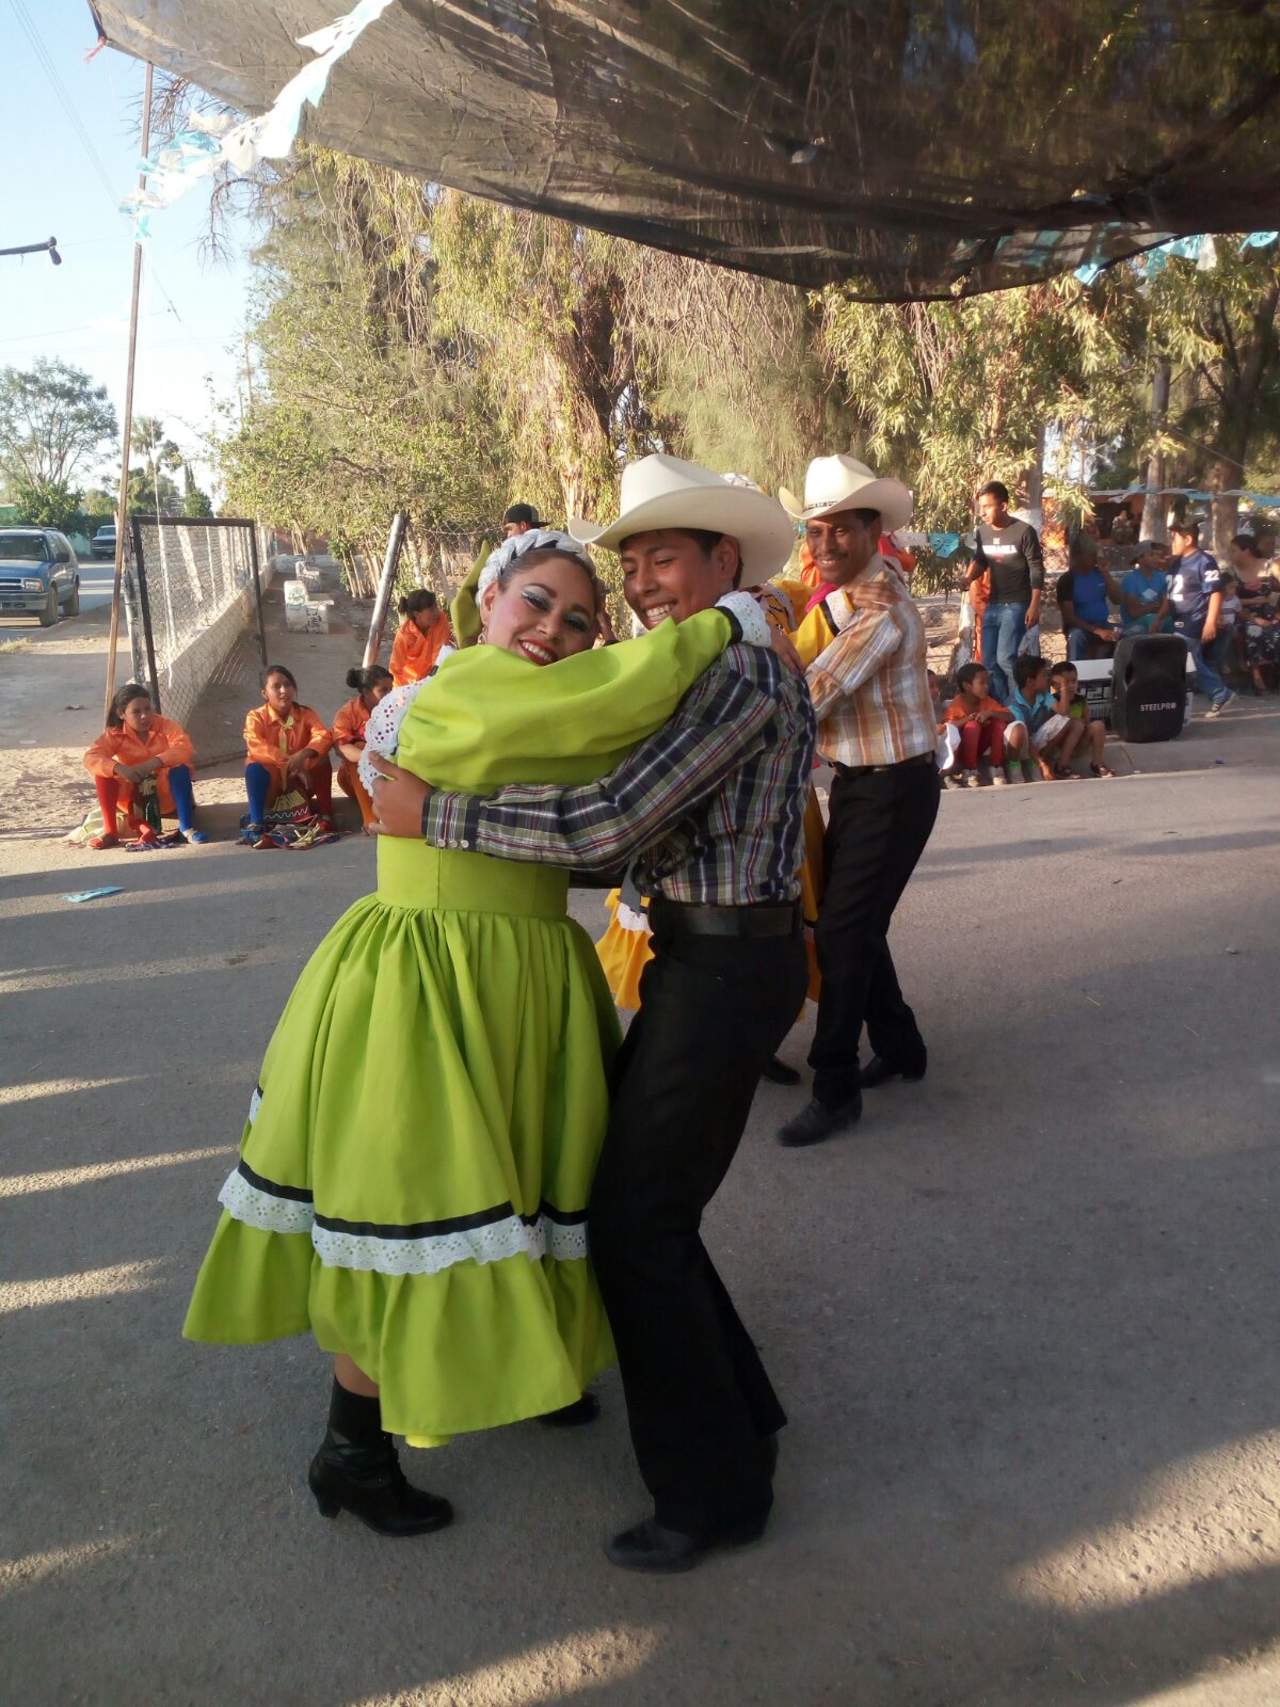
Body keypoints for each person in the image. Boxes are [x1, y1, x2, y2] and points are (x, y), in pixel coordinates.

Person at [186, 520, 768, 1541]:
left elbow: (588, 805)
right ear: (484, 602)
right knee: (414, 1207)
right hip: (433, 983)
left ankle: (526, 1371)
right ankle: (352, 1451)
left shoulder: (528, 708)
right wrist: (721, 628)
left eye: (578, 619)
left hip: (523, 975)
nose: (552, 627)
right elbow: (619, 699)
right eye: (532, 601)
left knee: (533, 1181)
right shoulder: (455, 693)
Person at [370, 456, 813, 1572]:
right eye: (633, 566)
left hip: (724, 969)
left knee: (635, 1225)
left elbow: (606, 825)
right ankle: (741, 1424)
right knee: (644, 1210)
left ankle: (710, 1495)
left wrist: (435, 817)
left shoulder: (738, 676)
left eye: (664, 557)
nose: (646, 584)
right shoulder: (718, 663)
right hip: (703, 959)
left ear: (725, 558)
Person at [769, 453, 937, 1145]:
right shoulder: (855, 589)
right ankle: (901, 1048)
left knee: (840, 930)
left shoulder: (883, 611)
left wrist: (754, 641)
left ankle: (834, 1083)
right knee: (854, 922)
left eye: (842, 529)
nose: (826, 543)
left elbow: (810, 693)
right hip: (866, 784)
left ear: (872, 531)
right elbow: (817, 610)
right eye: (816, 531)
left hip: (895, 787)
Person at [83, 682, 206, 848]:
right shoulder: (114, 733)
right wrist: (118, 768)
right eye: (136, 711)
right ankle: (111, 832)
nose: (144, 716)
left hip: (166, 796)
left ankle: (186, 828)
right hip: (133, 800)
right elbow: (91, 757)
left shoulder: (165, 725)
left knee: (180, 767)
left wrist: (153, 763)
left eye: (148, 709)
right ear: (121, 714)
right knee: (103, 774)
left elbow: (184, 747)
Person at [965, 481, 1044, 701]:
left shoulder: (1024, 532)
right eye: (981, 507)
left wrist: (1034, 605)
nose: (983, 512)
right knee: (988, 662)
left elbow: (1037, 569)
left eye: (988, 506)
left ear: (1003, 506)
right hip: (994, 604)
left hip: (1018, 604)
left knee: (1005, 658)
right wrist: (968, 578)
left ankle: (1023, 703)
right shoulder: (982, 533)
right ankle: (1002, 706)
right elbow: (980, 561)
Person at [242, 665, 334, 840]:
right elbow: (255, 744)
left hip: (300, 786)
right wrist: (291, 763)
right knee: (254, 765)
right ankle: (257, 822)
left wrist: (304, 755)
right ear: (264, 693)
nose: (284, 690)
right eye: (276, 686)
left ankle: (326, 815)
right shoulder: (256, 717)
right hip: (272, 787)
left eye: (288, 684)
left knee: (321, 759)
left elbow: (323, 735)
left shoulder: (306, 714)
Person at [1167, 519, 1236, 717]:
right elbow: (1169, 593)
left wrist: (1210, 621)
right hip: (1178, 618)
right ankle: (1214, 693)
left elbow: (1215, 592)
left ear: (1188, 539)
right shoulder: (1176, 563)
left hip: (1195, 618)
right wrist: (1159, 618)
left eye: (1175, 539)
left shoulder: (1204, 561)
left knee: (1186, 657)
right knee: (1189, 659)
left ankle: (1219, 692)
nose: (1172, 543)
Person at [332, 665, 394, 832]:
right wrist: (372, 758)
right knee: (359, 748)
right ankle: (370, 819)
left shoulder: (396, 708)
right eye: (383, 690)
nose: (390, 695)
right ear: (366, 692)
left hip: (387, 771)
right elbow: (343, 749)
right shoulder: (347, 713)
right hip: (354, 778)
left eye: (391, 690)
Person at [1005, 654, 1082, 780]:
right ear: (1030, 681)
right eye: (1043, 675)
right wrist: (1041, 765)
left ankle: (1054, 764)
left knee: (1068, 720)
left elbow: (1064, 712)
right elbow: (1026, 740)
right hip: (1021, 745)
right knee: (1019, 729)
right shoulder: (1013, 704)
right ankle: (1023, 765)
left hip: (1035, 744)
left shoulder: (1043, 695)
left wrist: (1063, 684)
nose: (1048, 678)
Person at [942, 662, 1013, 788]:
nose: (986, 686)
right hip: (962, 750)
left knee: (998, 723)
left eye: (987, 682)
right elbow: (948, 726)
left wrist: (990, 713)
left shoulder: (987, 701)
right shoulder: (957, 704)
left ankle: (996, 767)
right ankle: (969, 770)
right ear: (967, 686)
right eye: (982, 683)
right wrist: (970, 718)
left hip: (980, 746)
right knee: (972, 726)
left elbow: (1010, 716)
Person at [1229, 533, 1280, 692]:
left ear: (1247, 551)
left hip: (1273, 612)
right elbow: (1231, 601)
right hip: (1245, 614)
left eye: (1234, 550)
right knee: (1253, 629)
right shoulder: (1232, 572)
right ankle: (1256, 673)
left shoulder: (1269, 566)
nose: (1231, 555)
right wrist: (1253, 610)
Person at [1058, 534, 1122, 660]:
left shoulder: (1099, 574)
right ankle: (1076, 673)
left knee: (1129, 634)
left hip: (1103, 624)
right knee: (1076, 638)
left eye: (1095, 555)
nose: (1095, 559)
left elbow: (1117, 599)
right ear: (1079, 556)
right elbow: (1070, 617)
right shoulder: (1067, 580)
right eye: (1091, 555)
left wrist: (1106, 573)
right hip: (1081, 628)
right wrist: (1097, 631)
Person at [1048, 660, 1114, 777]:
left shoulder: (1081, 700)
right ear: (1055, 685)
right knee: (1075, 724)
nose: (1071, 685)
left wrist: (1082, 724)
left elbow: (1087, 721)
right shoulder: (1053, 700)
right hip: (1060, 745)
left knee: (1098, 725)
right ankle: (1062, 766)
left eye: (1074, 681)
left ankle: (1097, 764)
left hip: (1079, 740)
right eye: (1066, 682)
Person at [389, 590, 451, 686]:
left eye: (436, 606)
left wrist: (434, 679)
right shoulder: (403, 636)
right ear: (417, 614)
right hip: (411, 684)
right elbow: (395, 670)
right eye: (431, 609)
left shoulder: (440, 619)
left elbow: (440, 653)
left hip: (437, 674)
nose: (436, 612)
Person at [1120, 541, 1172, 635]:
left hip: (1157, 620)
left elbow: (1166, 604)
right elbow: (1134, 613)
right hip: (1134, 626)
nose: (1156, 558)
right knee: (1151, 619)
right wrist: (1152, 607)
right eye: (1152, 555)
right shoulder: (1130, 580)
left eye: (1158, 555)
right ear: (1140, 559)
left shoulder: (1162, 577)